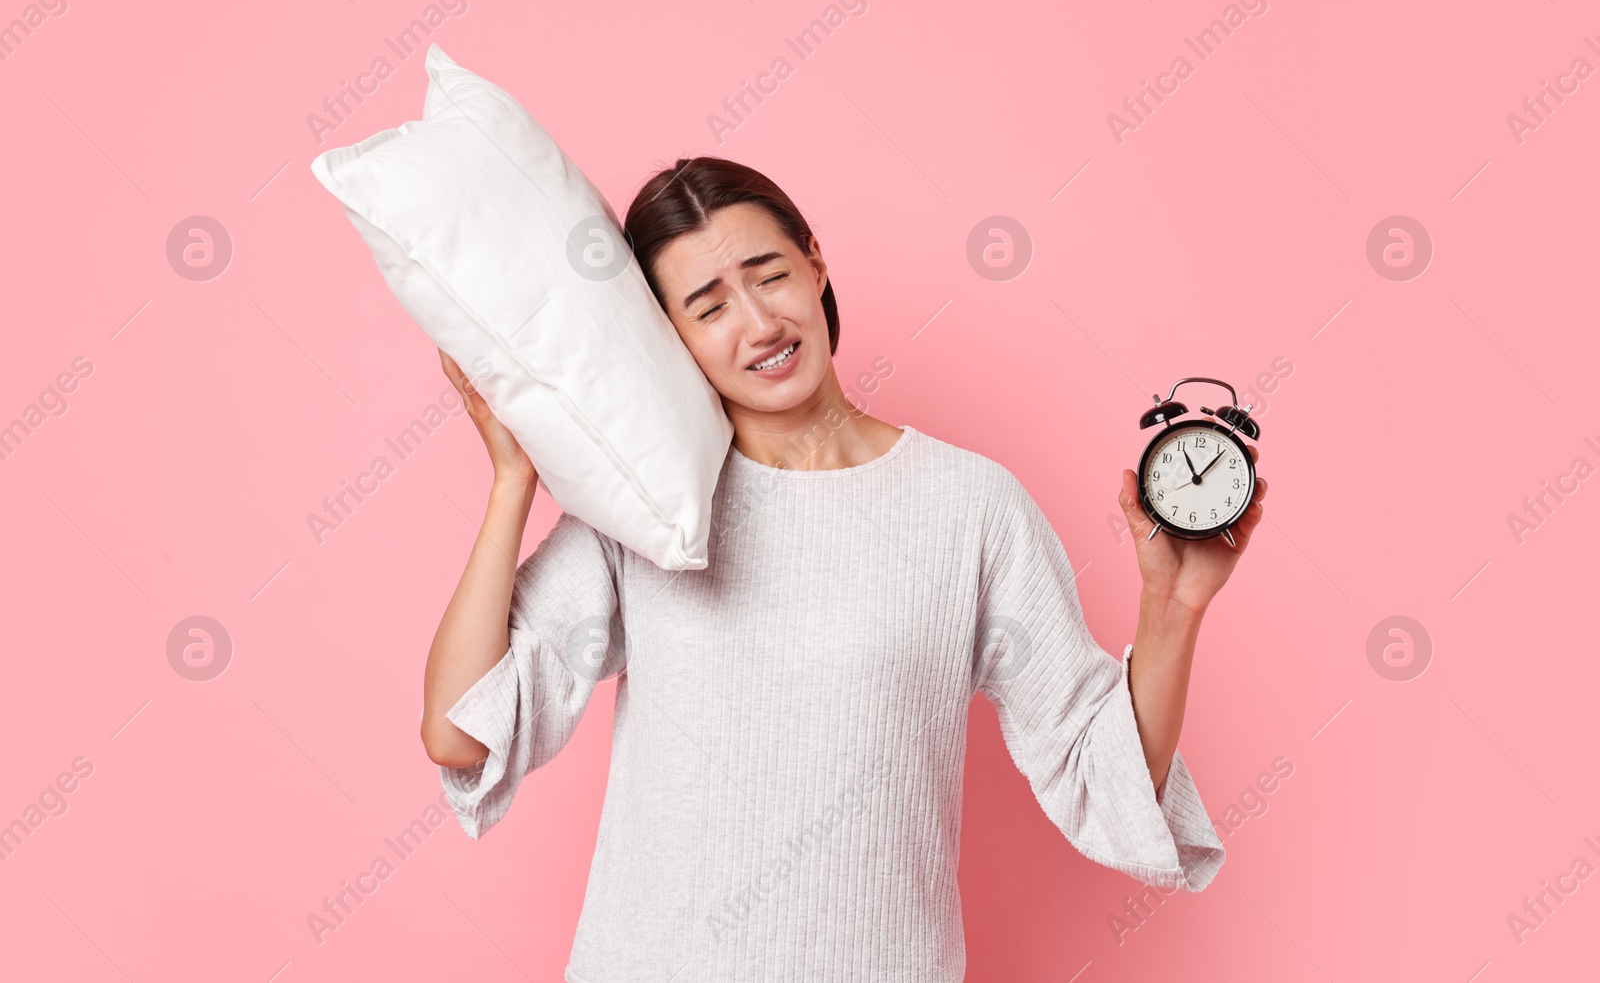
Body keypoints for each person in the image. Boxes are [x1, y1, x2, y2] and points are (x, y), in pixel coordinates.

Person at [420, 156, 1268, 981]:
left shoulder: (969, 506)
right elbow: (461, 728)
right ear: (668, 337)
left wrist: (1173, 604)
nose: (759, 324)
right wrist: (513, 480)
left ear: (815, 261)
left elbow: (1101, 767)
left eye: (769, 275)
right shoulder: (645, 514)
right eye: (708, 307)